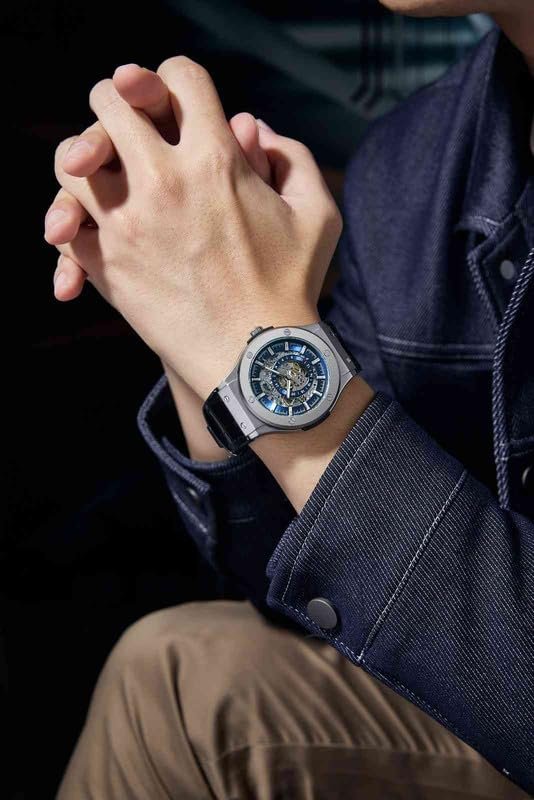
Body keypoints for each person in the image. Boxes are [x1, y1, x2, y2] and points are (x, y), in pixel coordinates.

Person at [44, 0, 534, 797]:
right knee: (173, 673)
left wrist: (249, 333)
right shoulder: (408, 164)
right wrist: (189, 305)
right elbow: (314, 586)